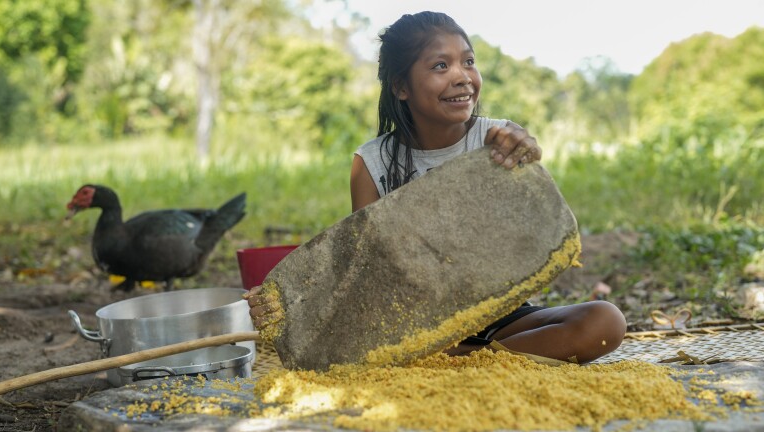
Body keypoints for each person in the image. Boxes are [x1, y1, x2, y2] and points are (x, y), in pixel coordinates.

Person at [247, 11, 626, 363]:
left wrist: (525, 148)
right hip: (414, 327)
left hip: (500, 314)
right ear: (401, 87)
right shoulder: (372, 164)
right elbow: (361, 272)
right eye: (440, 66)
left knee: (604, 321)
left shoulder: (496, 140)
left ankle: (458, 363)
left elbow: (536, 219)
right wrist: (290, 302)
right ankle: (467, 361)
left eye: (469, 61)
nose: (462, 76)